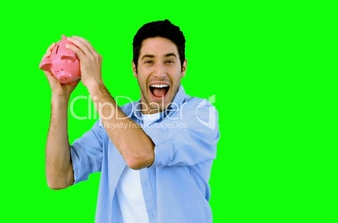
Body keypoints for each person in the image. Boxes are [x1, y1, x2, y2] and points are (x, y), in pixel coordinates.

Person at [42, 19, 220, 223]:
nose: (160, 72)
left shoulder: (200, 114)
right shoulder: (112, 121)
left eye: (169, 61)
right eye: (149, 61)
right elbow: (59, 176)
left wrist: (94, 83)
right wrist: (60, 96)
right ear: (135, 69)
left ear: (183, 68)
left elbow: (140, 155)